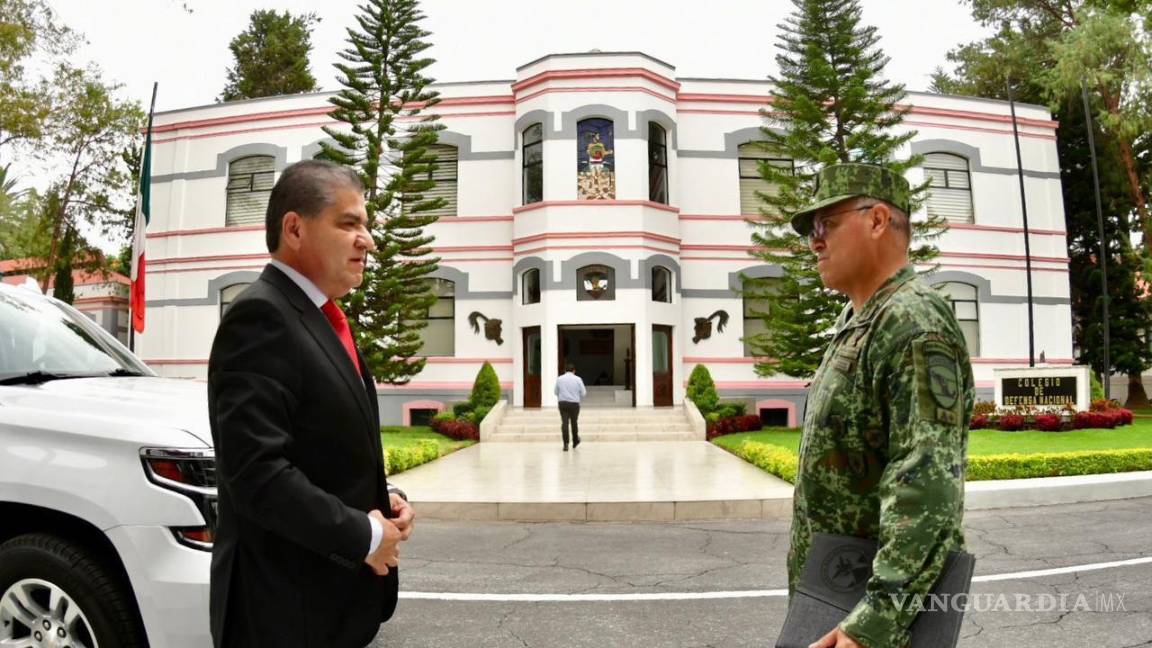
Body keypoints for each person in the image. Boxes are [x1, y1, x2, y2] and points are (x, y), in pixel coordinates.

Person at [207, 160, 415, 648]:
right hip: (283, 614)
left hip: (330, 607)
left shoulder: (320, 317)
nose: (367, 240)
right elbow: (256, 474)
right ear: (295, 228)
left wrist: (383, 501)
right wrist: (363, 534)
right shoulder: (261, 317)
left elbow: (319, 447)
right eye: (349, 224)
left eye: (366, 225)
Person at [785, 163, 973, 648]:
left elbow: (925, 484)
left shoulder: (912, 321)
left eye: (825, 224)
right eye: (811, 230)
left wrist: (875, 622)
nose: (814, 241)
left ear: (877, 220)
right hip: (834, 593)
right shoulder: (862, 319)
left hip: (874, 621)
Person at [554, 364, 586, 451]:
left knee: (564, 423)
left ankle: (565, 444)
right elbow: (583, 393)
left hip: (563, 403)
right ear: (574, 371)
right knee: (574, 422)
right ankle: (575, 440)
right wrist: (575, 394)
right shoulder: (578, 379)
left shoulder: (559, 379)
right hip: (574, 404)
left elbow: (556, 392)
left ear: (565, 370)